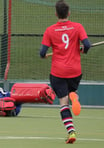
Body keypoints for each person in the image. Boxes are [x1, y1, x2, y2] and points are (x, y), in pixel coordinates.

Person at [39, 0, 91, 144]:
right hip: (75, 71)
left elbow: (42, 52)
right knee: (70, 93)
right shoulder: (78, 27)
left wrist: (43, 55)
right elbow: (87, 45)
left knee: (63, 102)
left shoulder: (50, 30)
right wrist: (83, 50)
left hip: (58, 72)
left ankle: (71, 131)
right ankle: (74, 95)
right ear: (68, 13)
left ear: (56, 14)